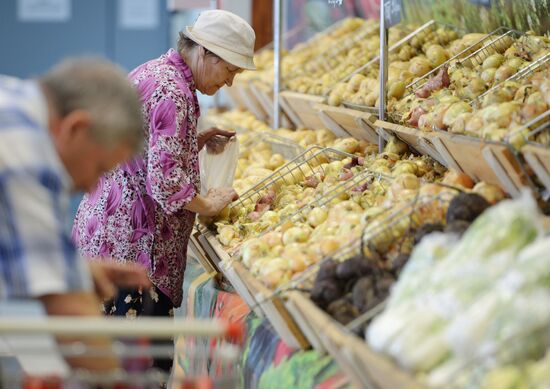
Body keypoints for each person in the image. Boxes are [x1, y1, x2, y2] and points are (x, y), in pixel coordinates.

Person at [72, 9, 256, 372]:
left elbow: (143, 150)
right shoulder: (174, 92)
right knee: (136, 372)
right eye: (230, 70)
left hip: (107, 236)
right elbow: (167, 186)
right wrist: (209, 203)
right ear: (206, 52)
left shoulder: (155, 72)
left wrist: (194, 141)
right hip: (135, 255)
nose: (230, 82)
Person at [0, 58, 151, 371]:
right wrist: (117, 379)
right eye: (99, 169)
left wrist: (74, 269)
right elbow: (71, 315)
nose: (89, 186)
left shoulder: (14, 104)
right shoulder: (23, 146)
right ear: (76, 128)